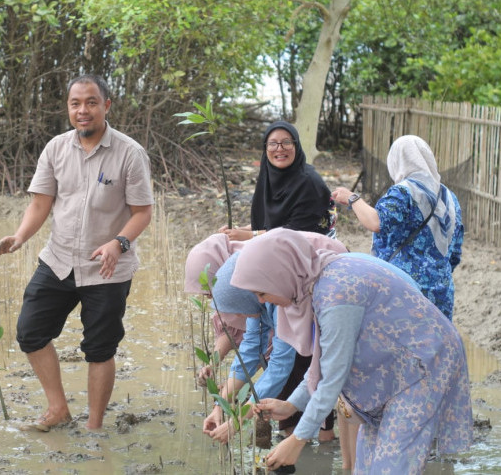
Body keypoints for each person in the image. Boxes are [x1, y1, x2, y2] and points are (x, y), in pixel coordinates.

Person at [231, 229, 473, 473]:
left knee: (390, 467)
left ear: (281, 275)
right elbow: (324, 364)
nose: (262, 302)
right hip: (395, 366)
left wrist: (297, 440)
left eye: (262, 293)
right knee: (365, 467)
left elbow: (334, 377)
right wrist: (291, 405)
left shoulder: (336, 293)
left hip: (424, 362)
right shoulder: (315, 283)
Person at [0, 74, 154, 431]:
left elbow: (143, 213)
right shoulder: (56, 148)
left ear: (106, 106)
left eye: (91, 102)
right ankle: (58, 408)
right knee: (29, 332)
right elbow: (40, 204)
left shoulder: (130, 153)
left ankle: (94, 426)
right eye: (75, 103)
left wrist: (118, 243)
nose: (83, 110)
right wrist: (18, 237)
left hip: (107, 269)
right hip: (58, 261)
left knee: (99, 348)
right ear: (68, 108)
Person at [200, 231, 346, 446]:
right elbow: (249, 350)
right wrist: (220, 407)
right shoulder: (257, 299)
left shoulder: (274, 299)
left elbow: (280, 365)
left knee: (317, 371)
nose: (239, 317)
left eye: (239, 311)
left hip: (329, 308)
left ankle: (322, 436)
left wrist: (238, 421)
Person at [331, 135, 463, 320]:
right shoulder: (450, 198)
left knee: (400, 345)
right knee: (435, 346)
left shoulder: (404, 192)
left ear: (396, 161)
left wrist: (352, 198)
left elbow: (376, 222)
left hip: (404, 291)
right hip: (441, 294)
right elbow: (455, 252)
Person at [219, 120, 334, 241]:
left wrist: (248, 236)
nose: (279, 149)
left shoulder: (310, 183)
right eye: (272, 143)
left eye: (287, 142)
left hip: (310, 248)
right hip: (275, 243)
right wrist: (237, 231)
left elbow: (296, 233)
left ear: (296, 145)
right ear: (265, 148)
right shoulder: (269, 177)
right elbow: (272, 223)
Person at [184, 233, 247, 387]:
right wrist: (212, 364)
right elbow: (230, 329)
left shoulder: (252, 286)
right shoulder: (233, 288)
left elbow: (268, 348)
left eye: (208, 289)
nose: (205, 296)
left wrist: (233, 386)